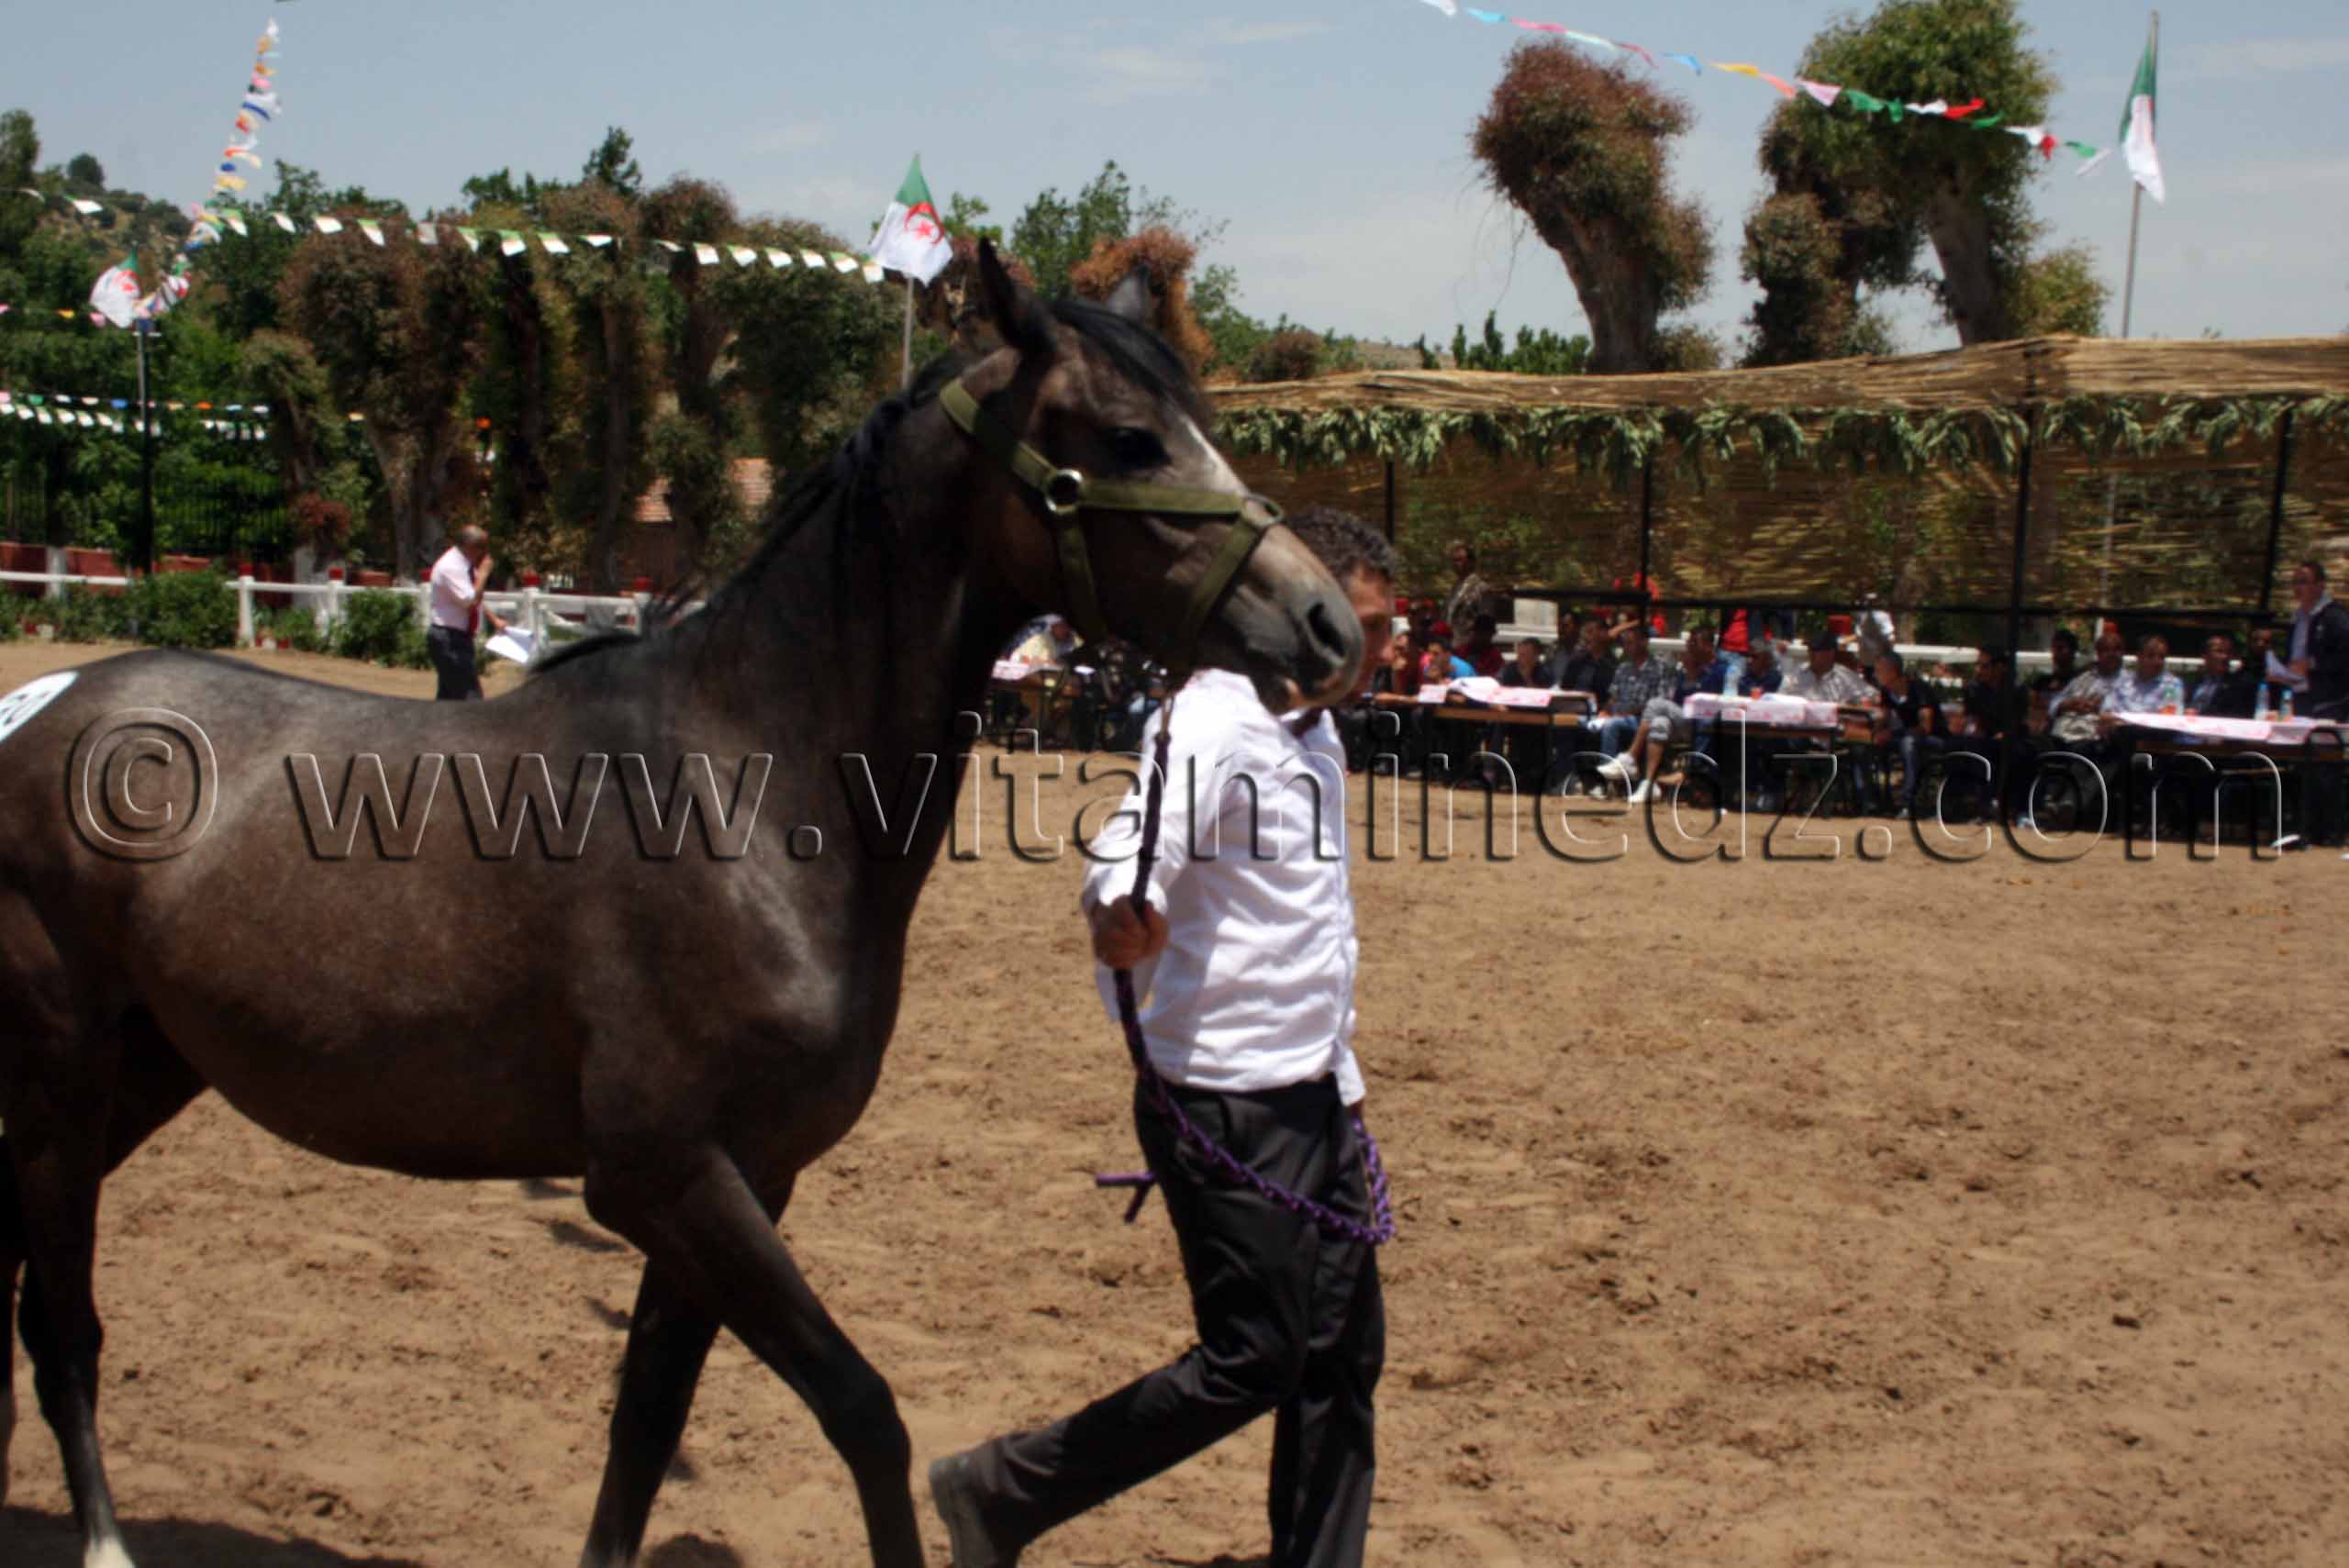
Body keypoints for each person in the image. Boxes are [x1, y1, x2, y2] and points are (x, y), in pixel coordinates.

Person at [930, 506, 1393, 1568]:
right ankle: (1000, 1489)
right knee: (1257, 1356)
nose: (1386, 645)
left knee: (1340, 1353)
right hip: (1225, 1099)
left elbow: (1309, 920)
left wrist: (1345, 1082)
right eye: (1367, 624)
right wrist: (1116, 917)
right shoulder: (1215, 719)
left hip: (1314, 1090)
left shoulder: (1315, 728)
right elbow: (1125, 856)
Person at [1598, 628, 1725, 806]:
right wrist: (1688, 674)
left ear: (1709, 646)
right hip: (1680, 721)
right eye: (1689, 642)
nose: (1688, 647)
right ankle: (1649, 785)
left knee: (1655, 703)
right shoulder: (1683, 672)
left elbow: (1707, 704)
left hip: (1701, 724)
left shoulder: (1718, 670)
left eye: (1693, 643)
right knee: (1659, 723)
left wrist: (1693, 675)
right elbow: (1676, 700)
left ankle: (1630, 758)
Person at [1586, 621, 1675, 787]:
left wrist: (1626, 714)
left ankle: (1607, 783)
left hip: (1642, 720)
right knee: (1584, 724)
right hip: (1617, 715)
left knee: (1612, 725)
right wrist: (1604, 711)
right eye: (1624, 644)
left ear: (1644, 643)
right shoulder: (1623, 668)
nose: (1626, 648)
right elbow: (1613, 697)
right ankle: (1581, 777)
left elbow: (1659, 703)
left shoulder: (1661, 669)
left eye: (1630, 643)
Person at [426, 524, 507, 702]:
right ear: (471, 547)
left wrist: (493, 619)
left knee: (448, 700)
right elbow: (470, 600)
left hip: (455, 637)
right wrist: (484, 574)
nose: (484, 554)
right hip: (449, 638)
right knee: (471, 701)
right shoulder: (451, 567)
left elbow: (472, 596)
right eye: (482, 548)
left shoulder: (464, 566)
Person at [1871, 651, 1943, 820]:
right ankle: (1876, 800)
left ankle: (1908, 802)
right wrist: (1875, 731)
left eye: (1879, 670)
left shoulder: (1918, 689)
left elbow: (1925, 726)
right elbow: (1884, 718)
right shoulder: (1887, 692)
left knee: (1908, 744)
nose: (1876, 674)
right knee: (1872, 745)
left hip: (1934, 738)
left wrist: (1892, 733)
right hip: (1906, 736)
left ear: (1893, 672)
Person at [2286, 559, 2349, 719]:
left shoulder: (2334, 617)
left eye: (2303, 582)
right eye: (2294, 582)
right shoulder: (2297, 618)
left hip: (2329, 702)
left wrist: (2312, 663)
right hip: (2299, 695)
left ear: (2320, 586)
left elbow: (2344, 656)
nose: (2297, 587)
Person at [1781, 632, 1872, 706]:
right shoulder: (1796, 673)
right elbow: (1780, 698)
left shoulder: (1845, 676)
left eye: (1816, 650)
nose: (1811, 653)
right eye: (1810, 649)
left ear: (1830, 653)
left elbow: (1871, 697)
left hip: (1832, 724)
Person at [2188, 633, 2258, 717]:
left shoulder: (2240, 686)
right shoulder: (2191, 683)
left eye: (2228, 652)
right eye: (2219, 651)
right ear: (2205, 656)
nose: (2225, 657)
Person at [1443, 539, 1495, 636]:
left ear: (1472, 562)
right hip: (1450, 643)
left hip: (1468, 644)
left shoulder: (1482, 588)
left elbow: (1486, 623)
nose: (1455, 564)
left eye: (1459, 560)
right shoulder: (1454, 588)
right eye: (1453, 560)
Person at [1457, 613, 1506, 678]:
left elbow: (1496, 678)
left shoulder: (1495, 656)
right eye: (1479, 633)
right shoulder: (1461, 651)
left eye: (1488, 635)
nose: (1483, 637)